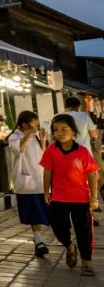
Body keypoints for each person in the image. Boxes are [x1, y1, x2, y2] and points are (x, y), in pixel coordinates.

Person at [41, 114, 100, 276]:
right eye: (56, 130)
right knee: (58, 227)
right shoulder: (51, 150)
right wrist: (46, 191)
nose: (59, 133)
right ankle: (69, 246)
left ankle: (86, 263)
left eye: (64, 129)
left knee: (84, 231)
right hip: (58, 197)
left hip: (81, 199)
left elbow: (92, 174)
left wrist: (94, 197)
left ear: (74, 131)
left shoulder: (82, 151)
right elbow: (47, 171)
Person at [7, 111, 50, 257]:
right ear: (24, 124)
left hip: (40, 179)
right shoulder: (14, 137)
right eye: (34, 124)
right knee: (34, 213)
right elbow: (18, 149)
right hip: (27, 182)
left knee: (43, 211)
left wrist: (43, 140)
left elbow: (42, 155)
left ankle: (39, 240)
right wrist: (29, 134)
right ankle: (38, 241)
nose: (37, 126)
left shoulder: (35, 136)